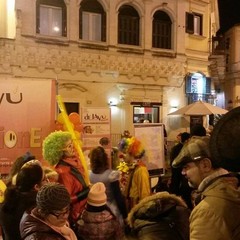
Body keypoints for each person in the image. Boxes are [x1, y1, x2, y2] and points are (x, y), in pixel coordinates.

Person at [172, 136, 240, 239]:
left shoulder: (206, 211)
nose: (183, 172)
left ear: (205, 165)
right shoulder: (232, 188)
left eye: (186, 167)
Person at [42, 131, 89, 227]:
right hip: (76, 216)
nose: (73, 148)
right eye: (68, 146)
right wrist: (84, 194)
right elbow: (64, 200)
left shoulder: (75, 162)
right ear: (60, 151)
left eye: (72, 144)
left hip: (83, 211)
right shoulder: (63, 172)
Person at [0, 160, 46, 240]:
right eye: (45, 180)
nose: (48, 182)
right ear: (36, 187)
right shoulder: (37, 209)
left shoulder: (7, 203)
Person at [89, 146, 127, 226]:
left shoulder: (89, 175)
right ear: (105, 159)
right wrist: (125, 215)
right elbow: (118, 197)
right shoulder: (111, 175)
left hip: (94, 211)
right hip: (112, 211)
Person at [118, 137, 150, 211]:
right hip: (130, 208)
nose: (121, 155)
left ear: (132, 153)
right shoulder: (131, 168)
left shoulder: (141, 169)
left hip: (136, 210)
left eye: (125, 152)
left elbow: (144, 194)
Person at [169, 132, 193, 209]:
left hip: (176, 174)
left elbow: (172, 163)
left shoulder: (175, 148)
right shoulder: (187, 149)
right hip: (183, 177)